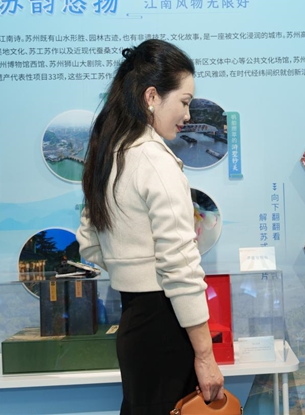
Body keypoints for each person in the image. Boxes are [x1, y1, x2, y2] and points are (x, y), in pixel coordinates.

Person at [76, 39, 224, 415]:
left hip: (134, 324)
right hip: (166, 328)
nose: (187, 115)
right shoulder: (155, 162)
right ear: (152, 97)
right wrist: (205, 355)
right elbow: (180, 267)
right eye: (185, 102)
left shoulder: (108, 155)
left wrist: (132, 269)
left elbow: (89, 244)